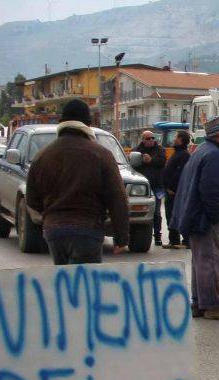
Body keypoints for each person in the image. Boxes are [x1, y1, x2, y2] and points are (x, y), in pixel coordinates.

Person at [26, 99, 129, 265]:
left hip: (54, 231)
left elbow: (31, 198)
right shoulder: (101, 154)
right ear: (88, 124)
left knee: (64, 283)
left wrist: (51, 214)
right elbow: (117, 198)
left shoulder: (43, 155)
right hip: (88, 229)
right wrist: (121, 238)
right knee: (84, 288)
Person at [172, 116, 219, 321]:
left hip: (193, 214)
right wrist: (215, 214)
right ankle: (211, 305)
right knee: (210, 260)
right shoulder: (214, 155)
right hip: (202, 216)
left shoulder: (202, 150)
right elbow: (209, 189)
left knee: (200, 260)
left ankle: (198, 302)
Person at [137, 130, 167, 246]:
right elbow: (134, 164)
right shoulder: (137, 150)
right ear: (143, 140)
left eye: (152, 138)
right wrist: (142, 160)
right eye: (148, 138)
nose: (151, 140)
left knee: (157, 213)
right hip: (141, 188)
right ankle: (141, 234)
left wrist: (151, 160)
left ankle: (158, 235)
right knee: (142, 211)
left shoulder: (160, 149)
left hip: (157, 186)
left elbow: (163, 161)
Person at [162, 130, 192, 249]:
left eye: (176, 137)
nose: (174, 139)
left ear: (180, 140)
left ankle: (185, 240)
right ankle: (173, 240)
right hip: (171, 190)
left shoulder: (184, 154)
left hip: (176, 191)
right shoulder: (177, 152)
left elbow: (179, 173)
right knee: (171, 215)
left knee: (178, 214)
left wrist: (171, 187)